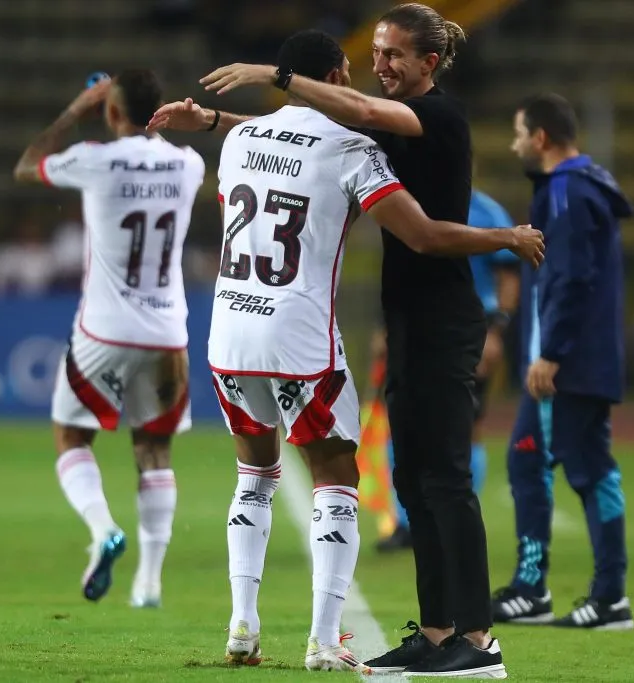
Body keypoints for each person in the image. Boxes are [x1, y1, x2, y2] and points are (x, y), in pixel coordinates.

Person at [149, 4, 515, 677]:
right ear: (343, 70)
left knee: (437, 477)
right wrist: (216, 117)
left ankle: (477, 638)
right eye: (372, 55)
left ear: (429, 63)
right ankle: (421, 633)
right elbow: (314, 137)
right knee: (402, 475)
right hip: (349, 326)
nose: (380, 67)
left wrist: (258, 87)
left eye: (394, 56)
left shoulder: (430, 117)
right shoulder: (350, 141)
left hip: (251, 329)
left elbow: (328, 139)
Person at [13, 69, 203, 608]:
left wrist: (78, 108)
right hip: (167, 333)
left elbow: (27, 165)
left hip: (104, 330)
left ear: (112, 112)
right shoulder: (189, 165)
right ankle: (150, 582)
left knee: (71, 437)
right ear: (160, 109)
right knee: (154, 450)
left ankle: (102, 531)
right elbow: (155, 141)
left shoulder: (95, 160)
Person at [489, 93, 634, 630]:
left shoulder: (568, 190)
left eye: (519, 133)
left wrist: (550, 353)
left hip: (568, 363)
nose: (515, 144)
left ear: (542, 137)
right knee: (532, 461)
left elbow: (570, 276)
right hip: (579, 357)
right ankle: (538, 589)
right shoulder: (582, 185)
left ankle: (607, 595)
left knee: (588, 469)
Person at [375, 188, 520, 552]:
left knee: (466, 425)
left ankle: (458, 525)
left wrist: (496, 330)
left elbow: (508, 278)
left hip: (471, 328)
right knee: (402, 418)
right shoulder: (414, 201)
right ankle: (406, 524)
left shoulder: (489, 212)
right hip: (416, 323)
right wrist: (387, 327)